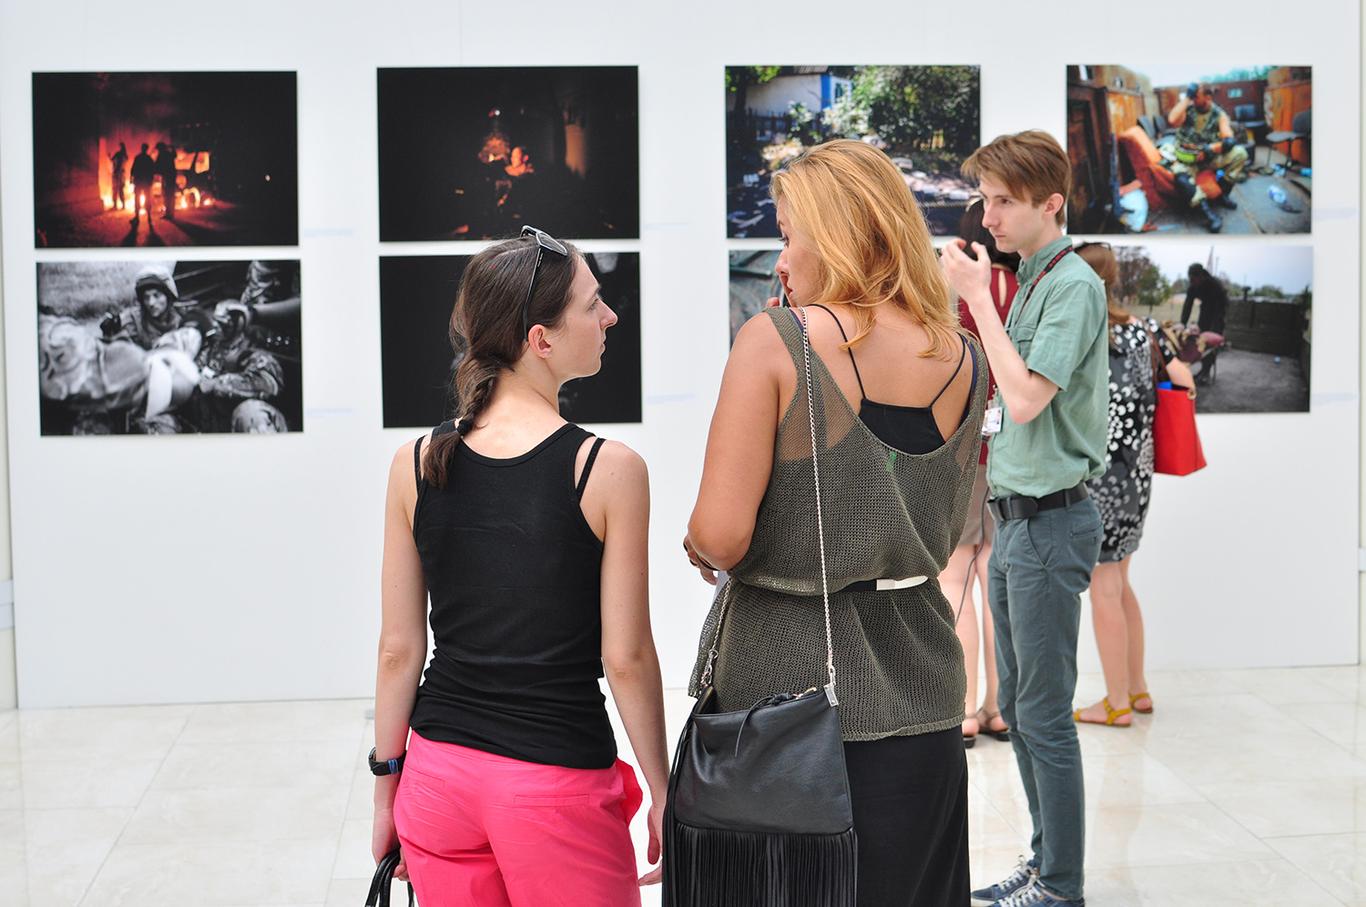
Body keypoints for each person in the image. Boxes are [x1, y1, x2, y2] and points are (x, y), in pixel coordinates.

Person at [684, 139, 987, 906]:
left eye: (789, 235)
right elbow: (941, 532)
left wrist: (699, 546)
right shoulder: (964, 357)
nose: (781, 260)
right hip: (921, 692)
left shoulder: (776, 342)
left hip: (782, 709)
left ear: (838, 231)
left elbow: (719, 536)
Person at [371, 227, 669, 906]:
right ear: (541, 340)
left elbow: (398, 650)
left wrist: (387, 793)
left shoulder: (415, 462)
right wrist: (661, 788)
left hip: (438, 780)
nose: (610, 317)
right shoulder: (608, 469)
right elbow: (625, 655)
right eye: (594, 305)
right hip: (553, 786)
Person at [941, 130, 1108, 907]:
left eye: (1003, 201)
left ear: (1051, 204)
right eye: (984, 198)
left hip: (1047, 523)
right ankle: (1045, 864)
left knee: (1042, 715)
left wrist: (977, 300)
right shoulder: (1038, 278)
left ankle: (1061, 884)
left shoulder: (1070, 284)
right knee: (1029, 712)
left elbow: (1030, 396)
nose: (989, 215)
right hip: (1018, 522)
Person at [1071, 244, 1195, 730]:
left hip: (1099, 475)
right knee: (1121, 583)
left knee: (1103, 587)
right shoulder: (1144, 330)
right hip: (1137, 474)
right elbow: (1184, 382)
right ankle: (1137, 688)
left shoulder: (1087, 332)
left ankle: (1116, 701)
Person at [944, 199, 1019, 749]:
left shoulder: (954, 294)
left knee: (954, 577)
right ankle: (999, 708)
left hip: (965, 448)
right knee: (996, 578)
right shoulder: (1022, 289)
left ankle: (962, 711)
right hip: (1013, 448)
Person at [1166, 83, 1246, 233]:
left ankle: (1222, 195)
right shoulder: (1188, 109)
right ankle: (1210, 216)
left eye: (1195, 96)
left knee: (1240, 153)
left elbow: (1228, 139)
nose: (1193, 100)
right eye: (1191, 96)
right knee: (1181, 180)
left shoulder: (1219, 114)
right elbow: (1172, 120)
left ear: (1208, 97)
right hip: (1186, 159)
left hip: (1207, 158)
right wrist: (1187, 98)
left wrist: (1211, 149)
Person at [101, 265, 183, 350]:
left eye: (156, 295)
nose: (151, 303)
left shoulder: (180, 318)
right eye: (146, 297)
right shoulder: (133, 322)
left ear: (168, 296)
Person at [1180, 263, 1228, 336]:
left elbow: (1217, 312)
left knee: (1215, 328)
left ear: (1201, 276)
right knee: (1202, 327)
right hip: (1205, 304)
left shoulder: (1214, 285)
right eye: (1190, 279)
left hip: (1219, 302)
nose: (1191, 282)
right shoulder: (1192, 287)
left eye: (1193, 279)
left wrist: (1213, 330)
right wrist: (1182, 323)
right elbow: (1187, 306)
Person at [129, 144, 156, 225]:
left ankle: (137, 217)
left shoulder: (138, 158)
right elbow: (152, 171)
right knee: (147, 199)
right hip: (146, 182)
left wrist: (131, 179)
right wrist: (151, 181)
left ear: (142, 148)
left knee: (137, 199)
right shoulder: (149, 159)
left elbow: (133, 170)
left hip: (139, 181)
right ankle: (149, 218)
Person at [109, 142, 129, 210]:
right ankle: (123, 205)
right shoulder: (125, 156)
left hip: (117, 174)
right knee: (121, 190)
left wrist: (109, 156)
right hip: (122, 174)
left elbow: (113, 160)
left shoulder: (118, 154)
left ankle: (115, 205)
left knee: (115, 190)